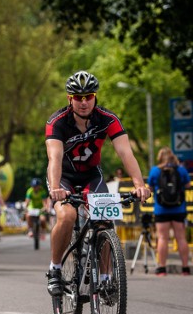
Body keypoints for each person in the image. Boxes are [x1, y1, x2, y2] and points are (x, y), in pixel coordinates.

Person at [45, 70, 151, 296]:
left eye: (88, 96)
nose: (84, 103)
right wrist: (55, 188)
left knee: (104, 219)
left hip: (91, 175)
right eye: (78, 97)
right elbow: (54, 157)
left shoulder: (108, 119)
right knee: (67, 216)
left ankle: (104, 279)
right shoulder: (57, 122)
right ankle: (54, 270)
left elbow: (126, 153)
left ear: (95, 97)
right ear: (69, 99)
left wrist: (139, 184)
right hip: (63, 177)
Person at [147, 147, 191, 276]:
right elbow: (188, 185)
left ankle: (162, 268)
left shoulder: (155, 171)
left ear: (159, 157)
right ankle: (185, 268)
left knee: (162, 238)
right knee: (181, 238)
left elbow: (149, 187)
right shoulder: (181, 170)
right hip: (179, 208)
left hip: (161, 209)